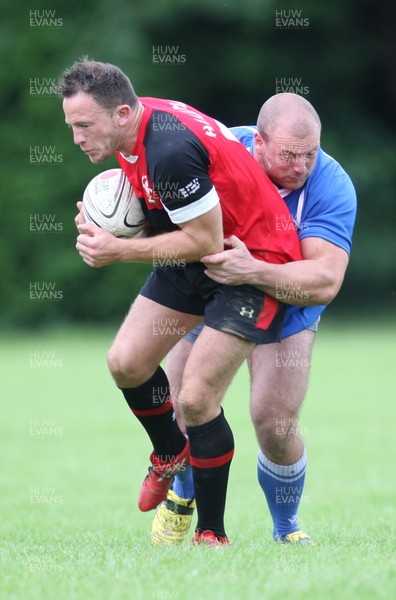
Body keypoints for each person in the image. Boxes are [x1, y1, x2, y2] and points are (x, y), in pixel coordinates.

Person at [56, 59, 302, 546]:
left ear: (123, 112)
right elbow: (173, 219)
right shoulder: (136, 134)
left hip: (249, 264)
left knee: (196, 398)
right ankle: (169, 450)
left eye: (84, 126)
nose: (77, 137)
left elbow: (205, 240)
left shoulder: (167, 147)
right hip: (201, 255)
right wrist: (112, 222)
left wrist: (119, 249)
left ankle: (212, 533)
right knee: (125, 363)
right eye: (71, 127)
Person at [151, 93, 357, 546]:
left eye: (310, 153)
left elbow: (323, 280)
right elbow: (158, 193)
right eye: (288, 154)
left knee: (274, 420)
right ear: (258, 142)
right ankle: (183, 497)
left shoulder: (332, 184)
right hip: (215, 293)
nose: (301, 165)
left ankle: (286, 527)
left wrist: (254, 271)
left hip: (288, 304)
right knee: (185, 404)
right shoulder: (218, 148)